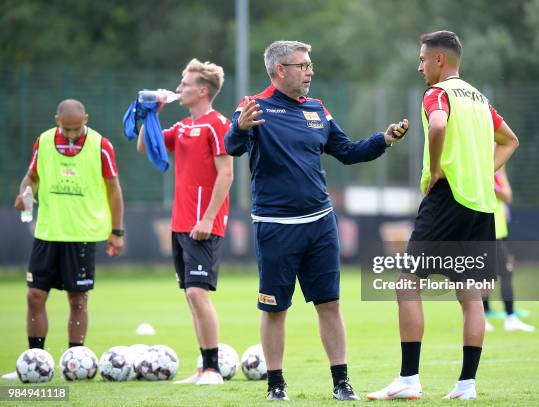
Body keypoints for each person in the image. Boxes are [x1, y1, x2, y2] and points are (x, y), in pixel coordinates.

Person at [225, 40, 408, 401]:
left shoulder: (316, 109)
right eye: (302, 65)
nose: (310, 71)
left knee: (330, 305)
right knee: (275, 308)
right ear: (280, 70)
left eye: (310, 65)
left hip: (321, 225)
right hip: (275, 227)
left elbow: (348, 152)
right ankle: (276, 385)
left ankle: (342, 383)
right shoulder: (254, 107)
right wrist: (241, 129)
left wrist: (382, 140)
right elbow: (231, 147)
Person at [367, 31, 519, 401]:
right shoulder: (480, 99)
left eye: (422, 59)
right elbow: (510, 140)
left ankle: (408, 379)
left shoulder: (438, 93)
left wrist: (435, 169)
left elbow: (437, 125)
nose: (419, 66)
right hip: (481, 204)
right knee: (470, 296)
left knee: (407, 282)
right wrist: (483, 172)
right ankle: (467, 385)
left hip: (447, 199)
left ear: (439, 60)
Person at [4, 99, 124, 381]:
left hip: (81, 235)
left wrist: (117, 232)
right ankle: (35, 361)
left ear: (86, 119)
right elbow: (31, 177)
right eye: (66, 128)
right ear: (57, 119)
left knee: (78, 300)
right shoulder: (43, 141)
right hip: (47, 232)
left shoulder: (100, 144)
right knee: (35, 296)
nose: (72, 135)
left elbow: (114, 190)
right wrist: (25, 194)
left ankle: (75, 361)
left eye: (77, 128)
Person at [137, 59, 233, 385]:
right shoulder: (180, 127)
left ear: (203, 90)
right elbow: (144, 147)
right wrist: (151, 113)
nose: (179, 88)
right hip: (181, 224)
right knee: (191, 296)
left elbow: (227, 173)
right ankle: (203, 368)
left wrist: (208, 217)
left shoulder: (217, 124)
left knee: (197, 293)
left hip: (203, 224)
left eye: (185, 83)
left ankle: (213, 369)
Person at [484, 166, 535, 332]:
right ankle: (508, 317)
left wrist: (489, 183)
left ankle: (488, 316)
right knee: (499, 273)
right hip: (485, 230)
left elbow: (507, 195)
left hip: (498, 231)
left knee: (492, 274)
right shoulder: (473, 167)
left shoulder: (497, 170)